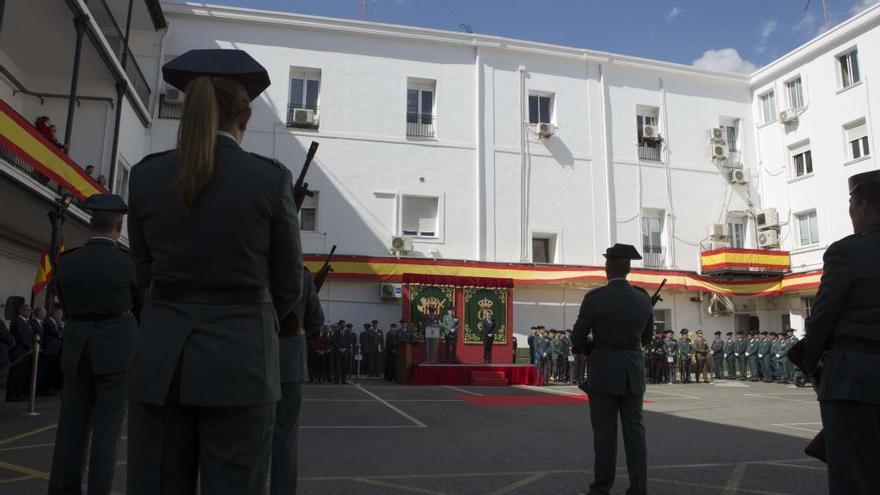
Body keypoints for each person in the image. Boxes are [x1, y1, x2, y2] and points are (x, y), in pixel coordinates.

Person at [125, 49, 303, 495]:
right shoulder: (269, 179)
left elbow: (143, 269)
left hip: (161, 359)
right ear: (244, 114)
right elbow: (287, 285)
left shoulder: (147, 176)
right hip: (242, 361)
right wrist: (248, 319)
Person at [47, 194, 141, 495]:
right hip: (116, 350)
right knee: (106, 432)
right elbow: (143, 308)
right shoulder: (129, 264)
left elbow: (62, 300)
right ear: (120, 224)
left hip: (76, 347)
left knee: (70, 428)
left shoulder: (68, 260)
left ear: (90, 223)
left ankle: (62, 489)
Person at [803, 170, 880, 495]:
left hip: (855, 379)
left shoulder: (849, 252)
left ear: (862, 206)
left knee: (854, 477)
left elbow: (822, 317)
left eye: (851, 204)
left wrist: (809, 363)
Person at [572, 244, 653, 495]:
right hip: (633, 371)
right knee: (635, 433)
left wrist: (592, 349)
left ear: (607, 268)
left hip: (604, 372)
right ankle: (638, 488)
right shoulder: (642, 298)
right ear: (628, 268)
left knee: (605, 434)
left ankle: (601, 488)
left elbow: (577, 338)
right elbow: (647, 338)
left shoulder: (595, 298)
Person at [271, 268, 324, 495]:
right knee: (284, 438)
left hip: (245, 359)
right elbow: (316, 320)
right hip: (288, 361)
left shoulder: (241, 263)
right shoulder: (300, 275)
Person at [7, 304, 34, 402]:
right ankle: (11, 395)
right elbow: (20, 337)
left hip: (25, 352)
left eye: (30, 311)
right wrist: (30, 347)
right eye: (27, 310)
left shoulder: (27, 322)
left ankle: (18, 393)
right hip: (19, 352)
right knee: (15, 374)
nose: (29, 312)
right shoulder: (17, 321)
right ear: (21, 311)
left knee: (21, 374)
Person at [39, 307, 63, 395]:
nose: (61, 317)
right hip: (49, 352)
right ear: (55, 314)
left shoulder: (54, 323)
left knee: (50, 373)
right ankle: (41, 390)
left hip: (54, 352)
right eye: (60, 315)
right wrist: (61, 327)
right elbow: (56, 334)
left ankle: (47, 389)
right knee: (45, 373)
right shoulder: (49, 322)